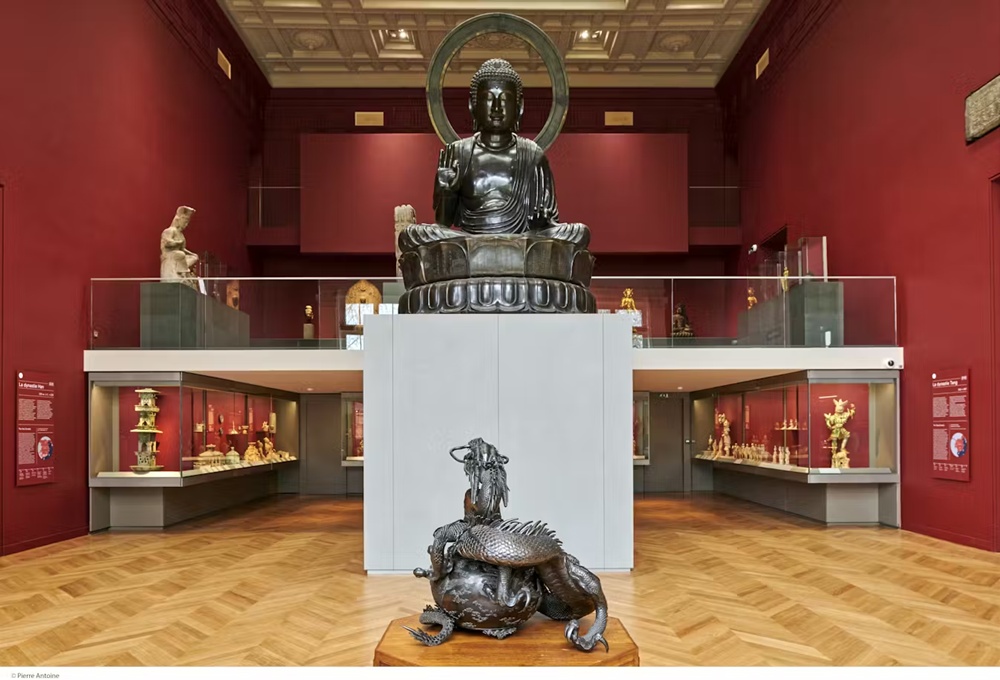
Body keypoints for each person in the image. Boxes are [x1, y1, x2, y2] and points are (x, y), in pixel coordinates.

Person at [398, 59, 589, 250]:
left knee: (577, 232)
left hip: (521, 242)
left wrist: (542, 224)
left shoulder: (533, 155)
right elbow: (443, 223)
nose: (496, 108)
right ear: (473, 105)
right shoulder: (458, 153)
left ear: (519, 107)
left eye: (505, 99)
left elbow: (550, 223)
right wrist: (447, 193)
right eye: (488, 98)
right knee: (414, 235)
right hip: (470, 241)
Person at [160, 206, 199, 288]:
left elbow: (183, 249)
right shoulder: (169, 231)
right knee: (180, 254)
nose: (186, 225)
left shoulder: (181, 235)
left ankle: (184, 272)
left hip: (179, 255)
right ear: (179, 219)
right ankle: (183, 272)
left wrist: (192, 254)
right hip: (170, 254)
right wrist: (177, 243)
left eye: (187, 223)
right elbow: (167, 243)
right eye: (185, 222)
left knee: (194, 257)